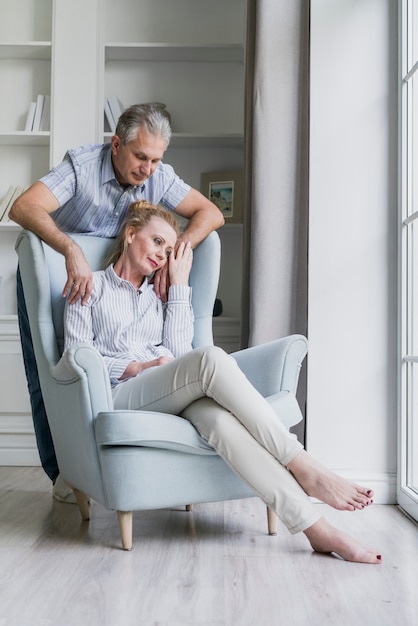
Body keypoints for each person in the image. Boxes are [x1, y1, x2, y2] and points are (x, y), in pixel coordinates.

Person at [63, 200, 381, 564]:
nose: (163, 255)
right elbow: (77, 360)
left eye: (169, 251)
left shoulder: (160, 296)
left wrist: (179, 286)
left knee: (219, 421)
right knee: (212, 357)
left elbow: (181, 354)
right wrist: (136, 366)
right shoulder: (91, 285)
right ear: (131, 235)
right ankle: (304, 464)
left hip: (170, 391)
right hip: (120, 394)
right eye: (156, 242)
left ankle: (317, 529)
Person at [9, 104, 224, 500]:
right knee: (49, 376)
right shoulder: (82, 166)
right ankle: (65, 475)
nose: (148, 169)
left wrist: (174, 255)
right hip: (61, 274)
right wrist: (70, 249)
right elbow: (22, 206)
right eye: (140, 156)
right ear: (116, 144)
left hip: (118, 283)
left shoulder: (159, 177)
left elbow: (210, 213)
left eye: (156, 160)